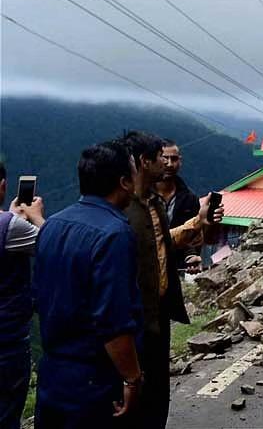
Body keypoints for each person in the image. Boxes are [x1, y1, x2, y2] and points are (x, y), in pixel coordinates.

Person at [33, 142, 143, 429]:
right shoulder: (115, 234)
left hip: (52, 374)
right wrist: (132, 378)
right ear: (124, 183)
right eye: (134, 173)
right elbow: (113, 322)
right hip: (94, 379)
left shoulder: (52, 225)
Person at [120, 131, 222, 429]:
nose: (166, 164)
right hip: (134, 311)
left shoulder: (158, 203)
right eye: (160, 158)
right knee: (135, 383)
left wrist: (198, 225)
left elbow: (163, 242)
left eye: (172, 158)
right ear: (144, 162)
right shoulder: (124, 207)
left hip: (159, 307)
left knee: (157, 385)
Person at [0, 160, 45, 429]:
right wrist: (37, 216)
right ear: (3, 186)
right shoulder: (10, 227)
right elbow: (53, 246)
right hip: (6, 341)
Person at [152, 140, 205, 272]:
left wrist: (191, 256)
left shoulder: (190, 199)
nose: (169, 164)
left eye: (174, 159)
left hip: (175, 271)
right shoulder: (143, 196)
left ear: (180, 161)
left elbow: (193, 237)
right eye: (165, 158)